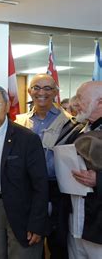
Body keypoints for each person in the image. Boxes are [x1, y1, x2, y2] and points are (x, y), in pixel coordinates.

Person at [0, 84, 49, 259]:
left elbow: (41, 185)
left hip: (23, 210)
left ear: (6, 106)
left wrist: (37, 223)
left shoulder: (28, 138)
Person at [15, 73, 75, 259]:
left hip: (57, 190)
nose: (42, 92)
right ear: (29, 91)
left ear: (56, 92)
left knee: (58, 244)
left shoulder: (70, 123)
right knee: (31, 243)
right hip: (28, 191)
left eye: (48, 88)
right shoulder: (19, 122)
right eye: (37, 87)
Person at [63, 81, 102, 258]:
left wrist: (98, 179)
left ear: (100, 102)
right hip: (76, 224)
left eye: (80, 98)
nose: (74, 103)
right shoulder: (77, 129)